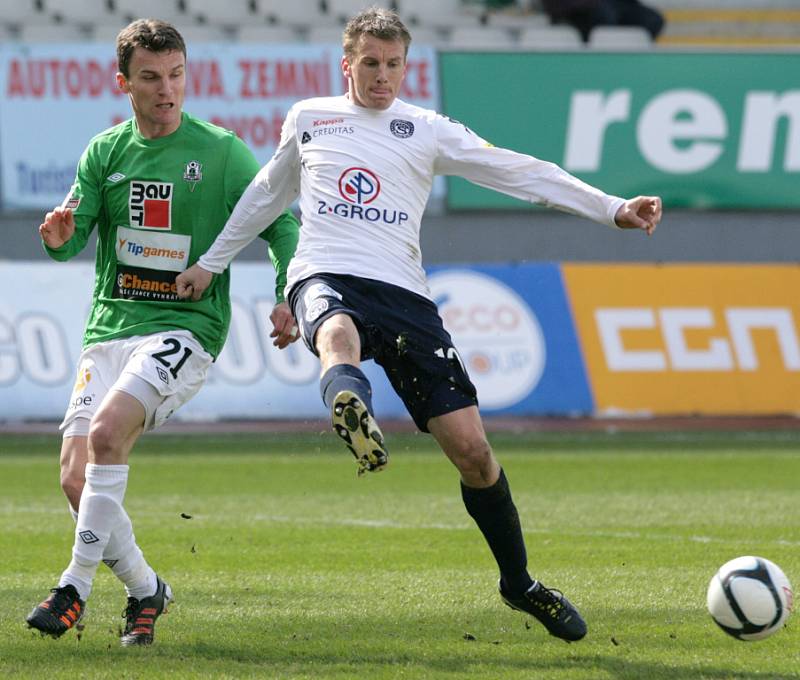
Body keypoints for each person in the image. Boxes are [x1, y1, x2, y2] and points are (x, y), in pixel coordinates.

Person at [176, 6, 662, 642]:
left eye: (393, 65)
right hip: (324, 271)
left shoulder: (425, 129)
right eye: (370, 64)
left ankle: (519, 583)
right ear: (346, 64)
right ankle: (349, 397)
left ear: (407, 67)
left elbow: (519, 170)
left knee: (474, 454)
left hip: (405, 295)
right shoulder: (310, 118)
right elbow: (267, 193)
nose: (382, 77)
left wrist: (611, 208)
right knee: (336, 330)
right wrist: (210, 264)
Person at [25, 19, 300, 646]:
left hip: (185, 329)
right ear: (124, 82)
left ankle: (74, 585)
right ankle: (147, 591)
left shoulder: (223, 153)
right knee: (74, 475)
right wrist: (58, 240)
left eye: (176, 74)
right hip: (110, 328)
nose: (167, 89)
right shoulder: (105, 152)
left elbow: (282, 227)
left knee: (106, 434)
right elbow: (72, 240)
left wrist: (287, 294)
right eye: (151, 77)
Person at [541, 0, 665, 42]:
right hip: (577, 9)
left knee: (653, 20)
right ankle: (600, 60)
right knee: (605, 16)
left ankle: (633, 60)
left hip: (614, 4)